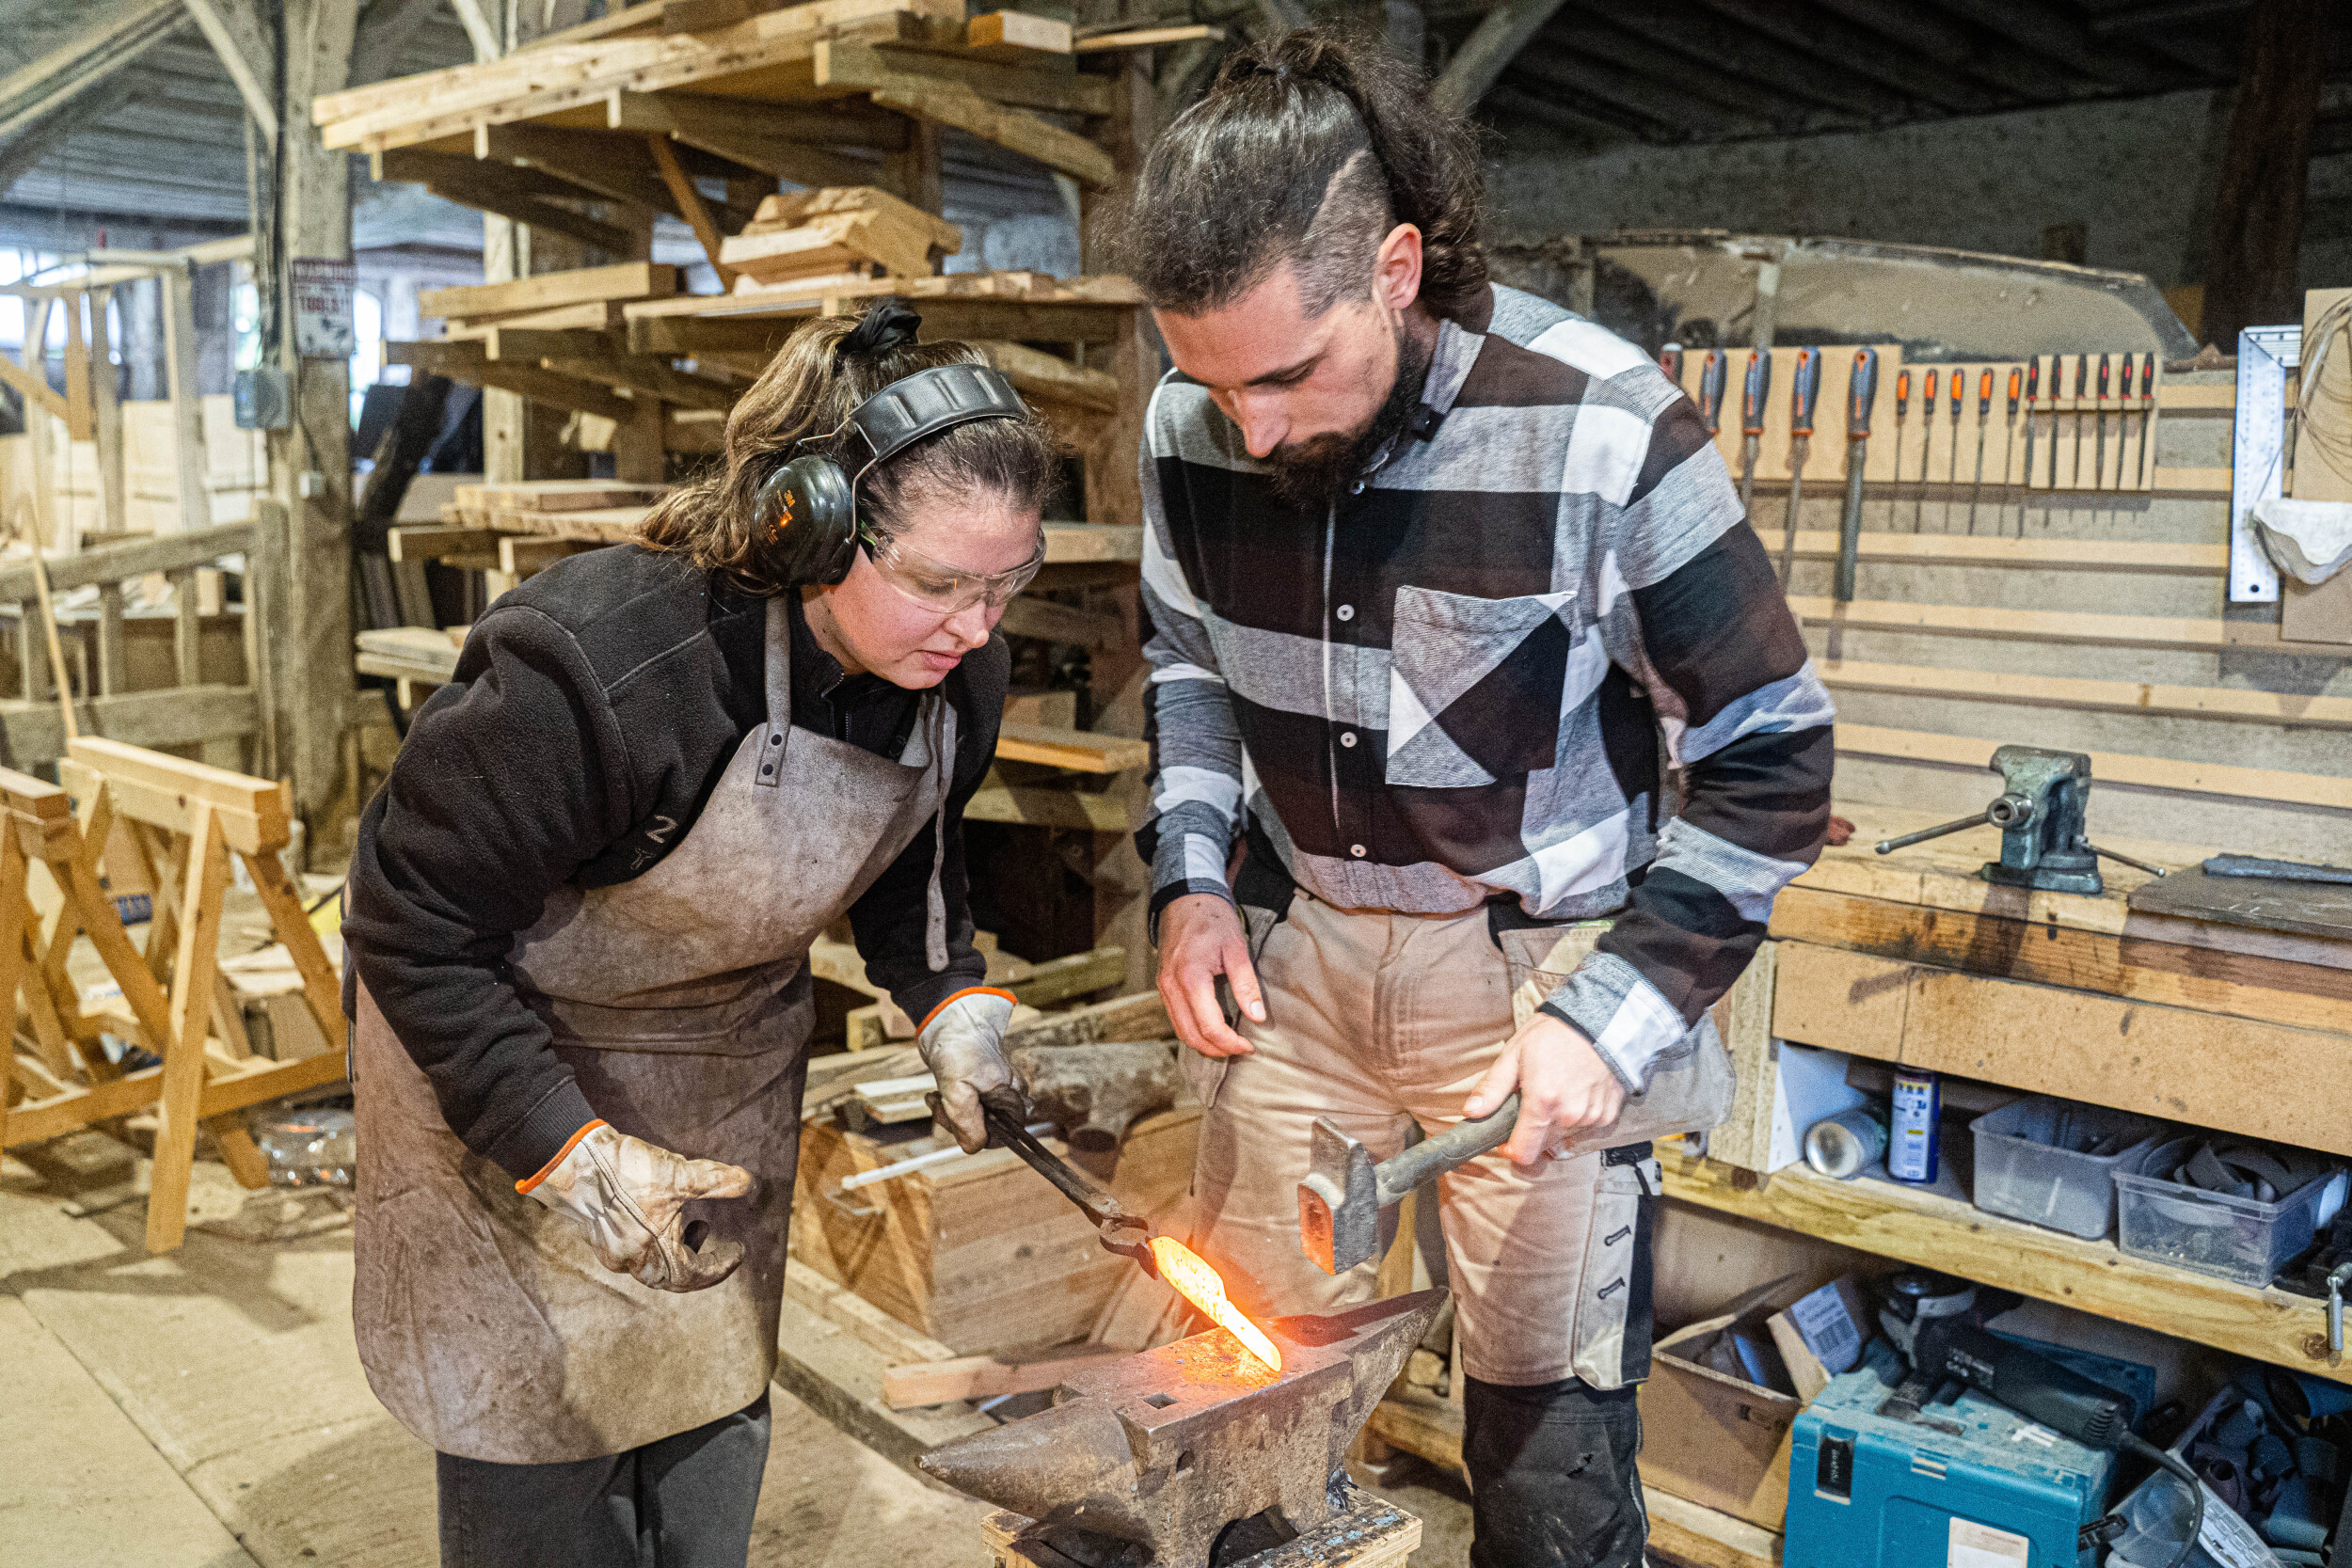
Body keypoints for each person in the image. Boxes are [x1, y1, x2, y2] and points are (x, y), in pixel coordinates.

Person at [1113, 33, 1836, 1568]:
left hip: (1531, 984)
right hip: (1300, 968)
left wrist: (1621, 1010)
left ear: (1394, 265)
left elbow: (1771, 750)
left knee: (1545, 1457)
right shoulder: (1195, 424)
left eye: (1289, 374)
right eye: (1210, 380)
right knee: (1239, 1415)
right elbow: (1183, 659)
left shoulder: (1605, 425)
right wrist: (1188, 880)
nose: (1246, 427)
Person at [342, 303, 1059, 1568]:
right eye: (941, 583)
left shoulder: (956, 680)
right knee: (546, 1474)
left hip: (720, 1086)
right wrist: (562, 1148)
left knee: (705, 1446)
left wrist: (949, 1002)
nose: (978, 626)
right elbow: (411, 925)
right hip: (510, 1073)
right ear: (812, 526)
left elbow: (913, 863)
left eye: (1010, 582)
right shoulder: (605, 668)